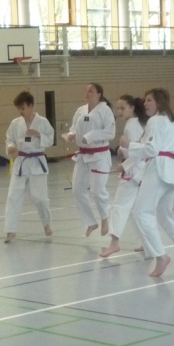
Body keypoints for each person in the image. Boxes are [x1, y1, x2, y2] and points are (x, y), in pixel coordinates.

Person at [129, 88, 174, 278]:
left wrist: (129, 146)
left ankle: (161, 256)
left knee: (141, 212)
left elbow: (151, 149)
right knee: (164, 213)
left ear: (159, 102)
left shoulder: (156, 120)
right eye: (145, 100)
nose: (145, 103)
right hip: (172, 171)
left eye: (149, 100)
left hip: (158, 169)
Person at [3, 90, 54, 243]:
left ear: (31, 106)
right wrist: (11, 147)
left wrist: (38, 134)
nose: (21, 111)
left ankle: (46, 223)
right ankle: (10, 230)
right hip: (21, 161)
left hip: (37, 162)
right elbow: (9, 139)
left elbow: (51, 139)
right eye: (19, 108)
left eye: (23, 108)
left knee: (39, 198)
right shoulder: (15, 123)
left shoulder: (42, 122)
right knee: (13, 196)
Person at [100, 94, 147, 258]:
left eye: (123, 108)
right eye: (118, 108)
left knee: (119, 206)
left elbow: (137, 152)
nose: (119, 111)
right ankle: (146, 241)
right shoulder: (138, 123)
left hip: (134, 171)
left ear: (132, 108)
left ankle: (114, 243)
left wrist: (124, 165)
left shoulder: (132, 124)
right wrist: (122, 151)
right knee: (136, 210)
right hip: (140, 172)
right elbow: (136, 147)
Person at [67, 83, 115, 237]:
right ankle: (90, 222)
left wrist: (90, 136)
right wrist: (71, 135)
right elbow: (73, 128)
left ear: (99, 94)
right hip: (82, 155)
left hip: (99, 156)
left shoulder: (105, 110)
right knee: (77, 189)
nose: (87, 93)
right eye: (86, 91)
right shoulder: (81, 110)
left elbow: (110, 132)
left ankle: (105, 218)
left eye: (91, 91)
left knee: (97, 190)